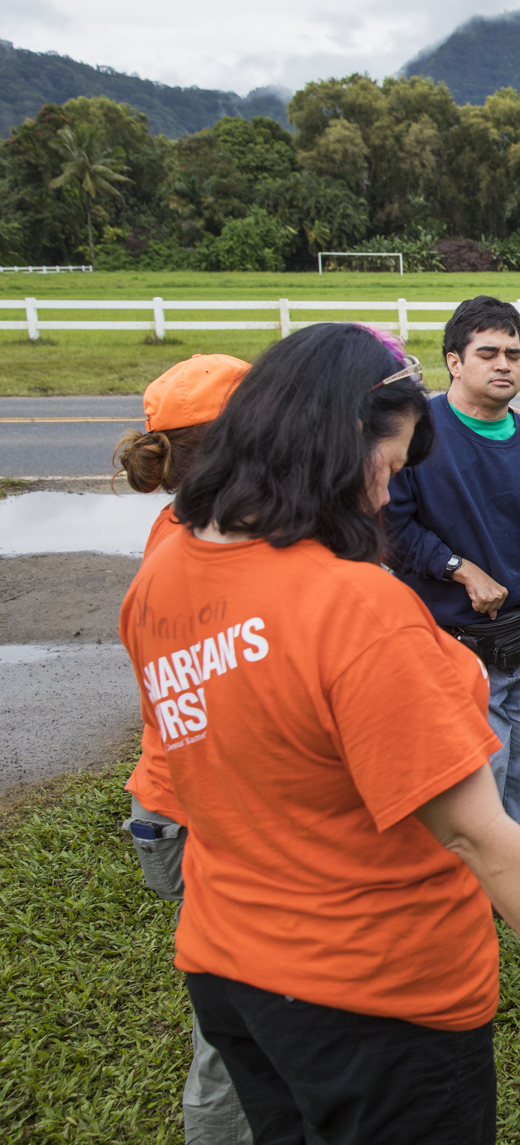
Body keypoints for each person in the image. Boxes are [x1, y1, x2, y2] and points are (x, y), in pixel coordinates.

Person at [118, 323, 520, 1145]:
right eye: (385, 468)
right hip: (378, 995)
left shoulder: (162, 577)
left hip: (230, 967)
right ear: (328, 445)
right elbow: (474, 832)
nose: (387, 497)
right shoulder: (354, 607)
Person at [113, 351, 254, 1145]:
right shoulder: (211, 550)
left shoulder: (177, 528)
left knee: (230, 1001)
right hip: (200, 809)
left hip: (164, 800)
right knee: (231, 1022)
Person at [385, 297, 520, 855]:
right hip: (452, 637)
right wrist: (457, 567)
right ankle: (473, 888)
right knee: (478, 770)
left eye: (513, 353)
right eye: (487, 353)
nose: (504, 364)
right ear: (454, 362)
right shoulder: (419, 435)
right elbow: (391, 524)